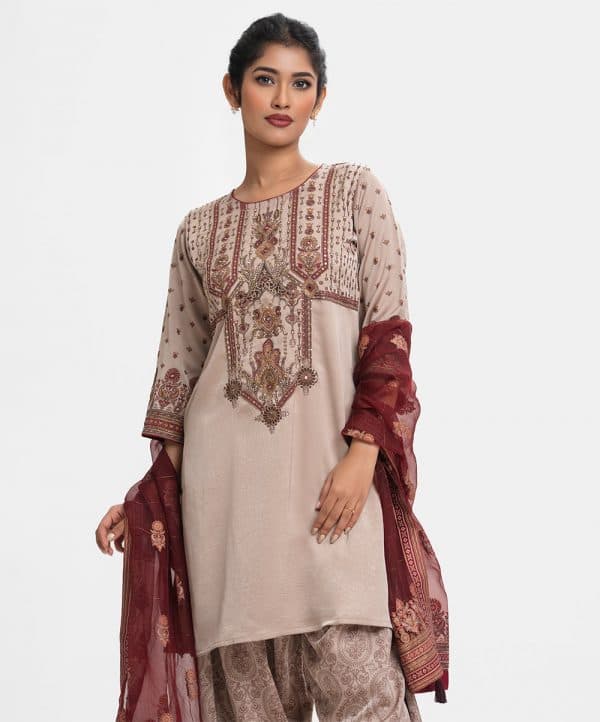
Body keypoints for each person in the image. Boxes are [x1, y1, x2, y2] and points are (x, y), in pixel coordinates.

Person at [96, 12, 448, 721]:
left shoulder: (354, 193)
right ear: (232, 91)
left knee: (367, 696)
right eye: (265, 80)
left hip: (331, 499)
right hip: (227, 520)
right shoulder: (198, 231)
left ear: (320, 99)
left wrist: (363, 455)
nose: (283, 98)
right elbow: (180, 378)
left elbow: (389, 339)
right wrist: (148, 499)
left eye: (301, 83)